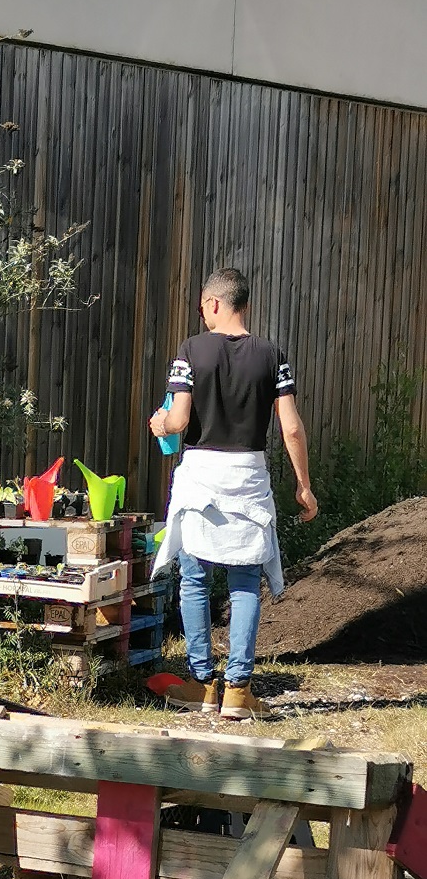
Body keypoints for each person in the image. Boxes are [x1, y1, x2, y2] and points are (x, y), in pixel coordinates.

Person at [150, 267, 318, 719]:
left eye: (202, 307)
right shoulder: (272, 356)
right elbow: (291, 427)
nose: (202, 314)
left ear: (214, 303)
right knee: (245, 583)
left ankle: (202, 685)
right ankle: (238, 692)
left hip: (202, 476)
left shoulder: (191, 350)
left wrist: (160, 424)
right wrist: (303, 485)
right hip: (248, 476)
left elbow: (179, 420)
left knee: (194, 578)